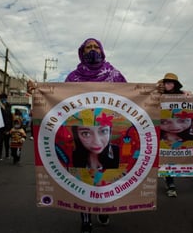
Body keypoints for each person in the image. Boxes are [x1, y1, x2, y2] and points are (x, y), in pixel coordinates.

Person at [29, 38, 126, 233]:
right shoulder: (73, 77)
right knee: (82, 176)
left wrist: (153, 92)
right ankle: (85, 218)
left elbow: (131, 99)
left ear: (102, 50)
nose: (92, 50)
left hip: (107, 130)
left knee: (105, 175)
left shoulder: (115, 75)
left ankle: (104, 208)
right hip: (81, 132)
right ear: (81, 52)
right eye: (88, 47)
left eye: (95, 46)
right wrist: (38, 93)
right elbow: (60, 102)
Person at [157, 73, 190, 198]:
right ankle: (168, 182)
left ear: (175, 84)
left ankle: (170, 182)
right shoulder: (158, 95)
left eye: (171, 82)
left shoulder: (182, 95)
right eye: (166, 82)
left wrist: (189, 95)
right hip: (161, 131)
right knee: (162, 156)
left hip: (177, 132)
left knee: (171, 157)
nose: (168, 85)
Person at [0, 93, 13, 161]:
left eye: (5, 98)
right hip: (0, 127)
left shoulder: (9, 106)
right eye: (2, 98)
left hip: (7, 127)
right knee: (0, 143)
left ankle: (7, 155)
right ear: (0, 99)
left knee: (7, 142)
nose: (4, 99)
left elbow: (10, 117)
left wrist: (10, 128)